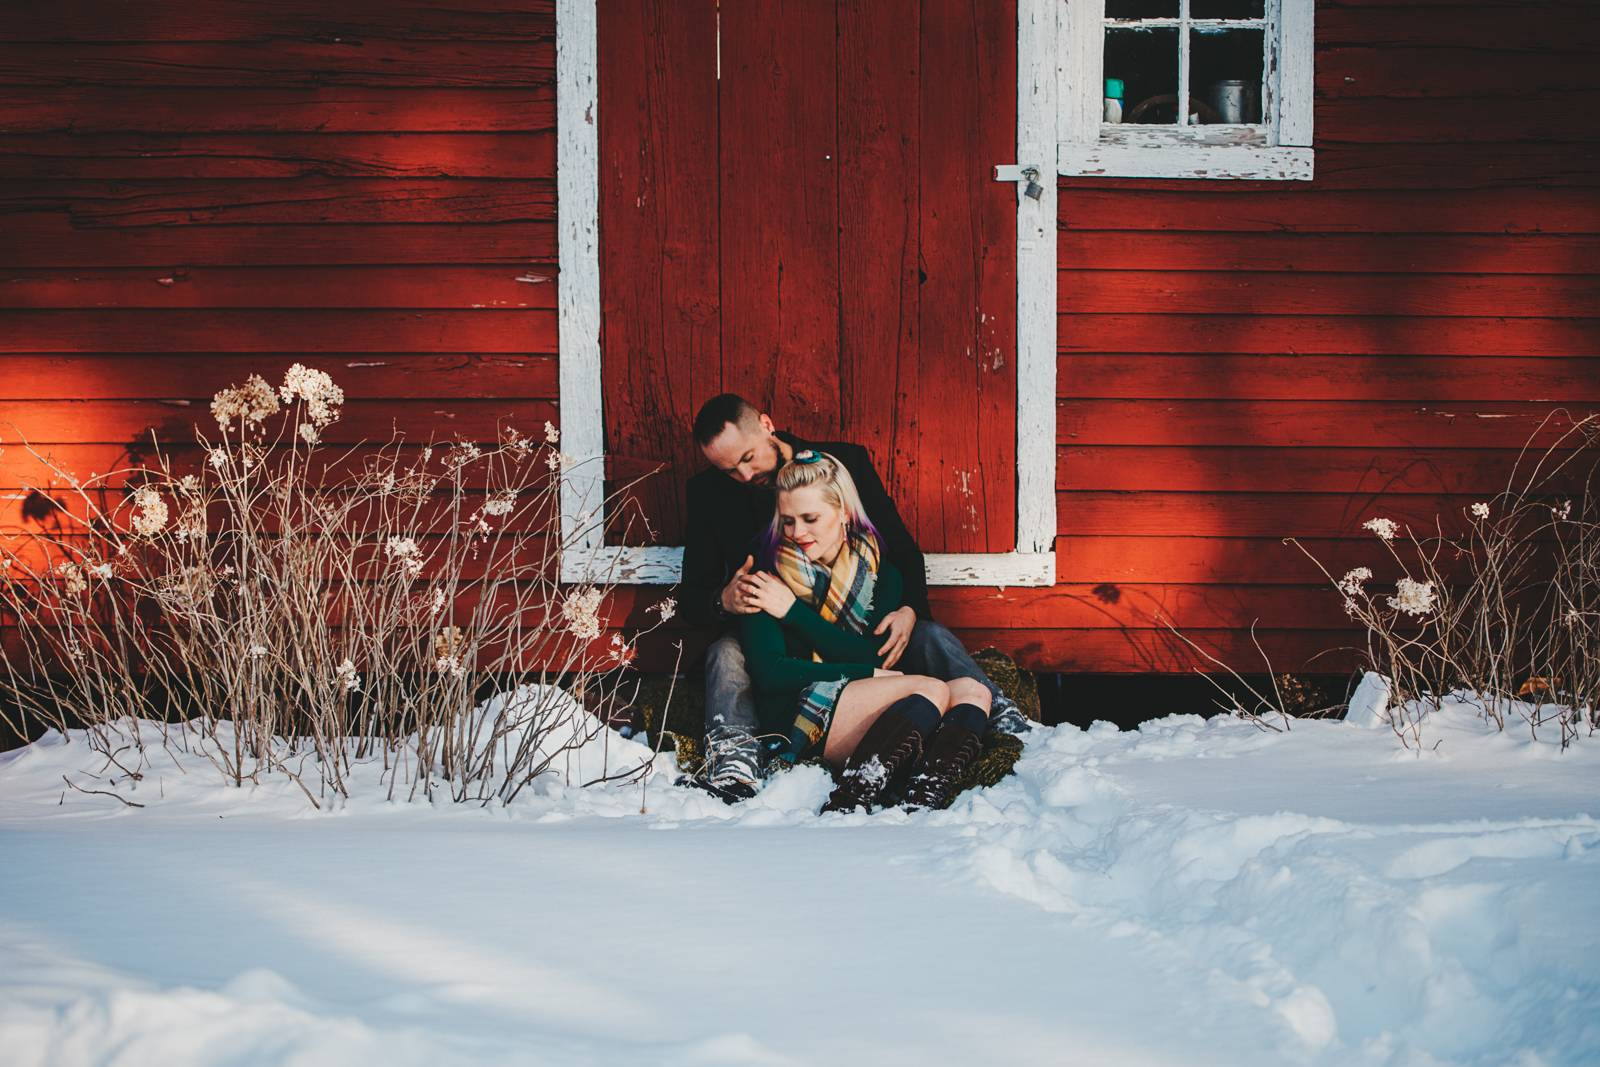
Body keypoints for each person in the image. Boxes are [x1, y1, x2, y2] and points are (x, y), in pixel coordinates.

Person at [680, 393, 1030, 803]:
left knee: (926, 635)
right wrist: (724, 599)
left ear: (766, 425)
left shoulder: (843, 466)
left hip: (853, 618)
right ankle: (735, 757)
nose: (743, 474)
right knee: (726, 651)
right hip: (774, 622)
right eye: (728, 470)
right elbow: (694, 596)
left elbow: (899, 550)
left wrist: (908, 610)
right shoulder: (711, 496)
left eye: (748, 458)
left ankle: (995, 713)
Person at [739, 450, 992, 812]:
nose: (797, 533)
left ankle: (923, 795)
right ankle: (852, 795)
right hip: (800, 714)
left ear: (842, 512)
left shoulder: (880, 574)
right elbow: (772, 674)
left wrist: (795, 613)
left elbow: (877, 654)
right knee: (930, 688)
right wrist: (867, 672)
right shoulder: (766, 579)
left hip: (868, 698)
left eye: (810, 518)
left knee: (972, 690)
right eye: (788, 520)